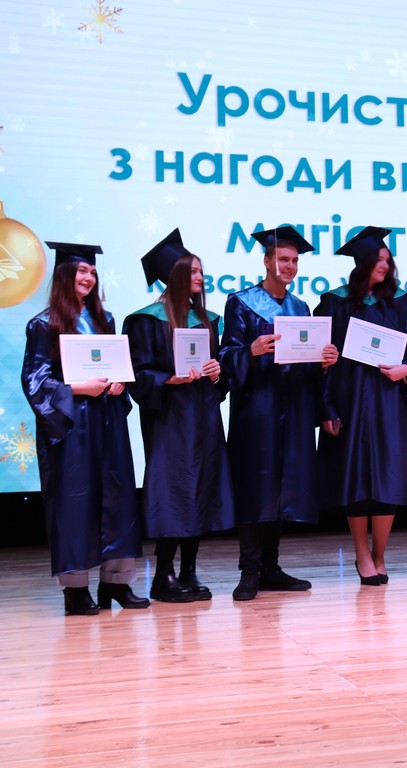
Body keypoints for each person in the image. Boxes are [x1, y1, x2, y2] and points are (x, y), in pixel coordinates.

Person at [21, 241, 148, 615]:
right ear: (64, 275)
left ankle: (116, 583)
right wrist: (78, 388)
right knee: (74, 502)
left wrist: (120, 380)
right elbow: (35, 379)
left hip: (108, 421)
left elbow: (118, 365)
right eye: (81, 271)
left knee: (118, 498)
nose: (89, 278)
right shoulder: (44, 324)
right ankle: (75, 590)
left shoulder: (105, 321)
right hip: (72, 425)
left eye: (92, 272)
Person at [220, 225, 339, 601]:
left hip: (295, 408)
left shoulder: (300, 308)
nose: (289, 266)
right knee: (256, 486)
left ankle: (271, 567)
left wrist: (324, 362)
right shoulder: (241, 302)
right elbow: (225, 357)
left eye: (294, 261)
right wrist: (250, 351)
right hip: (257, 409)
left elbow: (306, 361)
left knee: (284, 487)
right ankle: (250, 570)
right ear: (267, 261)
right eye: (283, 259)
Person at [122, 229, 234, 601]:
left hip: (203, 416)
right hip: (169, 418)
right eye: (194, 271)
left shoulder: (208, 319)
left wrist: (217, 373)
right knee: (173, 490)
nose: (201, 277)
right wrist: (168, 379)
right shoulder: (145, 320)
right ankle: (163, 575)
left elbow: (221, 379)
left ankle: (189, 570)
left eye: (201, 271)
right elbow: (137, 372)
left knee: (201, 488)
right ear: (174, 275)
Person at [316, 226, 407, 586]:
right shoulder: (334, 302)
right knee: (356, 482)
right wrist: (326, 407)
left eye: (388, 260)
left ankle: (379, 554)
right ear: (362, 263)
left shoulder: (401, 302)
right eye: (379, 260)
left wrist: (406, 369)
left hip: (388, 402)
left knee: (387, 482)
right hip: (349, 401)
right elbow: (320, 357)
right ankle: (361, 553)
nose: (385, 265)